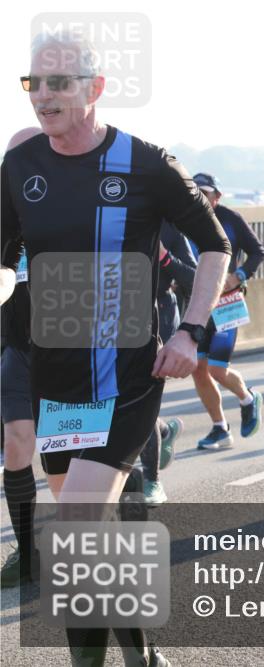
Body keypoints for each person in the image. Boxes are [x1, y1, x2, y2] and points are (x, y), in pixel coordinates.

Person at [1, 29, 231, 666]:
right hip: (57, 375)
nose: (42, 97)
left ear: (95, 89)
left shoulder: (144, 162)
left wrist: (191, 330)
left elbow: (216, 246)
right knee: (91, 537)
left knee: (74, 528)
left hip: (128, 374)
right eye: (33, 83)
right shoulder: (19, 167)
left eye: (58, 83)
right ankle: (142, 653)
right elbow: (1, 258)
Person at [189, 173, 264, 451]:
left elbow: (258, 252)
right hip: (195, 303)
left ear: (216, 196)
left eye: (204, 192)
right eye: (193, 190)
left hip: (227, 302)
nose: (198, 196)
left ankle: (247, 398)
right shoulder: (181, 217)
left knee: (217, 369)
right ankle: (220, 428)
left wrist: (240, 275)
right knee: (197, 368)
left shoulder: (231, 218)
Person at [0, 127, 43, 590]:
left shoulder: (71, 202)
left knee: (70, 462)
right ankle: (27, 551)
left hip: (74, 350)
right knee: (16, 444)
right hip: (18, 347)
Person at [140, 222, 197, 504]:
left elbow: (194, 277)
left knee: (141, 397)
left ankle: (152, 481)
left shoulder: (171, 228)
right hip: (112, 313)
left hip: (157, 316)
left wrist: (164, 257)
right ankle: (164, 429)